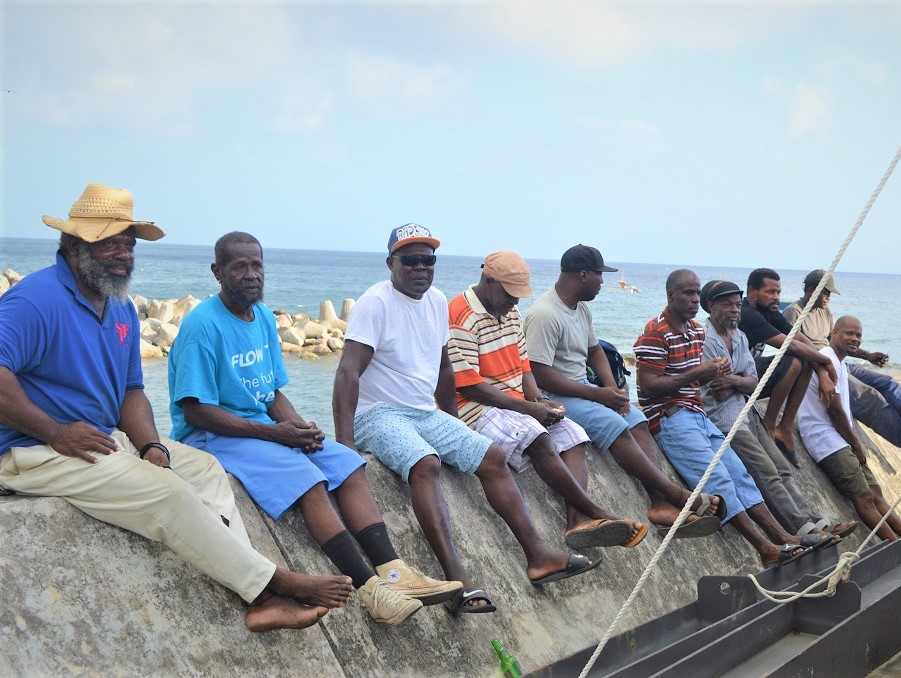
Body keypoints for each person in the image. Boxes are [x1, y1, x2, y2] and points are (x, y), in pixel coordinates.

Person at [0, 185, 352, 633]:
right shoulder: (35, 299)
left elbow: (131, 391)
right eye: (110, 242)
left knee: (203, 469)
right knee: (167, 493)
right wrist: (55, 431)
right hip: (33, 449)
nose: (124, 254)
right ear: (73, 244)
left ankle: (259, 596)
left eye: (129, 243)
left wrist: (150, 443)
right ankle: (272, 584)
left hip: (101, 437)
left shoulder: (121, 306)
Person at [168, 231, 460, 627]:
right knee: (310, 479)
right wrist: (276, 434)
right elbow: (196, 410)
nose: (251, 274)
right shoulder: (203, 325)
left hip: (256, 428)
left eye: (257, 265)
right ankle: (371, 591)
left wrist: (298, 426)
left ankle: (394, 572)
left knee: (347, 463)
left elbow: (271, 394)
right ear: (218, 272)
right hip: (212, 436)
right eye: (239, 267)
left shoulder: (264, 316)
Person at [334, 225, 599, 615]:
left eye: (429, 260)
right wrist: (345, 444)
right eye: (411, 260)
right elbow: (347, 373)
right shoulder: (375, 303)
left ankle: (539, 556)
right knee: (425, 464)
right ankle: (457, 581)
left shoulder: (436, 300)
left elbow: (444, 369)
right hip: (377, 413)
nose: (421, 267)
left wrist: (454, 422)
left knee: (492, 457)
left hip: (424, 410)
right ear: (392, 262)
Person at [634, 269, 839, 567]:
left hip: (696, 414)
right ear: (670, 296)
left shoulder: (694, 330)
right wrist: (701, 374)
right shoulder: (655, 331)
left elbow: (746, 380)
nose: (694, 300)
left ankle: (783, 535)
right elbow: (648, 388)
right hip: (671, 417)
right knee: (719, 481)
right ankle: (764, 547)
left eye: (696, 293)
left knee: (740, 475)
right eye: (688, 294)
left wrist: (721, 379)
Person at [448, 250, 646, 550]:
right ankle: (595, 511)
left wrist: (539, 399)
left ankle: (576, 520)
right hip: (476, 409)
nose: (516, 302)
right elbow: (471, 386)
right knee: (539, 437)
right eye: (510, 294)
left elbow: (524, 365)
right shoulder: (460, 315)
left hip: (514, 402)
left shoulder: (510, 313)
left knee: (574, 434)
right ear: (489, 281)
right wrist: (530, 408)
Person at [523, 244, 724, 536]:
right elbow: (539, 373)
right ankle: (677, 495)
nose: (603, 282)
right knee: (614, 424)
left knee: (637, 420)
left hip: (584, 387)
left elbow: (595, 352)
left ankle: (660, 503)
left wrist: (613, 389)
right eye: (599, 275)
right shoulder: (545, 313)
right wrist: (597, 395)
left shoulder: (581, 309)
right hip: (555, 395)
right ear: (582, 275)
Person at [699, 280, 857, 540]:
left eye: (737, 304)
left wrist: (735, 382)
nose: (734, 309)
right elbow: (714, 389)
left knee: (782, 467)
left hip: (747, 409)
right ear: (711, 306)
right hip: (724, 419)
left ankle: (816, 522)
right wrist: (738, 382)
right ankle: (803, 530)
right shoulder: (705, 339)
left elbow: (751, 381)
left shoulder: (739, 336)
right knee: (767, 472)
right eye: (727, 304)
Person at [797, 316, 901, 563]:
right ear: (833, 332)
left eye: (858, 335)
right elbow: (834, 411)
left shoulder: (840, 363)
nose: (855, 339)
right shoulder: (828, 359)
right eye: (849, 333)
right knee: (865, 499)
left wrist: (853, 443)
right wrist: (856, 445)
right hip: (826, 440)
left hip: (841, 439)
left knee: (877, 494)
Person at [782, 269, 901, 468]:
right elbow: (792, 348)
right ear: (811, 290)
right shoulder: (794, 312)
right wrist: (822, 372)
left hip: (837, 363)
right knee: (869, 397)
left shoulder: (825, 312)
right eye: (826, 292)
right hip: (818, 370)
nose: (829, 298)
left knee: (888, 382)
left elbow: (837, 342)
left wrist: (867, 355)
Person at [739, 268, 840, 466]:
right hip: (739, 380)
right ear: (752, 292)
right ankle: (769, 424)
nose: (776, 297)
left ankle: (784, 428)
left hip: (752, 375)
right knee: (794, 359)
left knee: (804, 359)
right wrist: (826, 362)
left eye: (778, 292)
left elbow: (801, 338)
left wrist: (820, 371)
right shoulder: (748, 314)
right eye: (770, 292)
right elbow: (791, 345)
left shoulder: (770, 311)